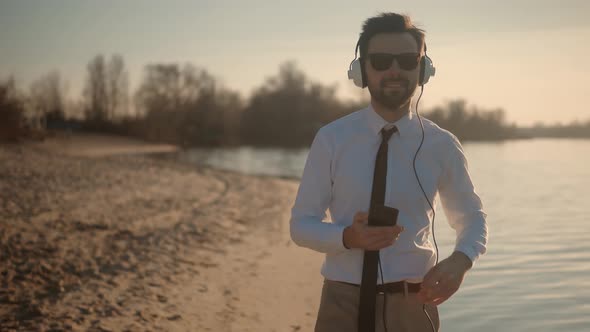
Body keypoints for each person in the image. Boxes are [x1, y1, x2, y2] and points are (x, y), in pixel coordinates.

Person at [289, 12, 488, 332]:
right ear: (362, 71)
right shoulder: (331, 139)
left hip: (413, 306)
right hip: (341, 304)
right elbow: (300, 225)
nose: (394, 70)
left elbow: (473, 219)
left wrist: (460, 262)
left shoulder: (443, 145)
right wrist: (347, 237)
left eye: (407, 60)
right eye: (381, 60)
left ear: (423, 69)